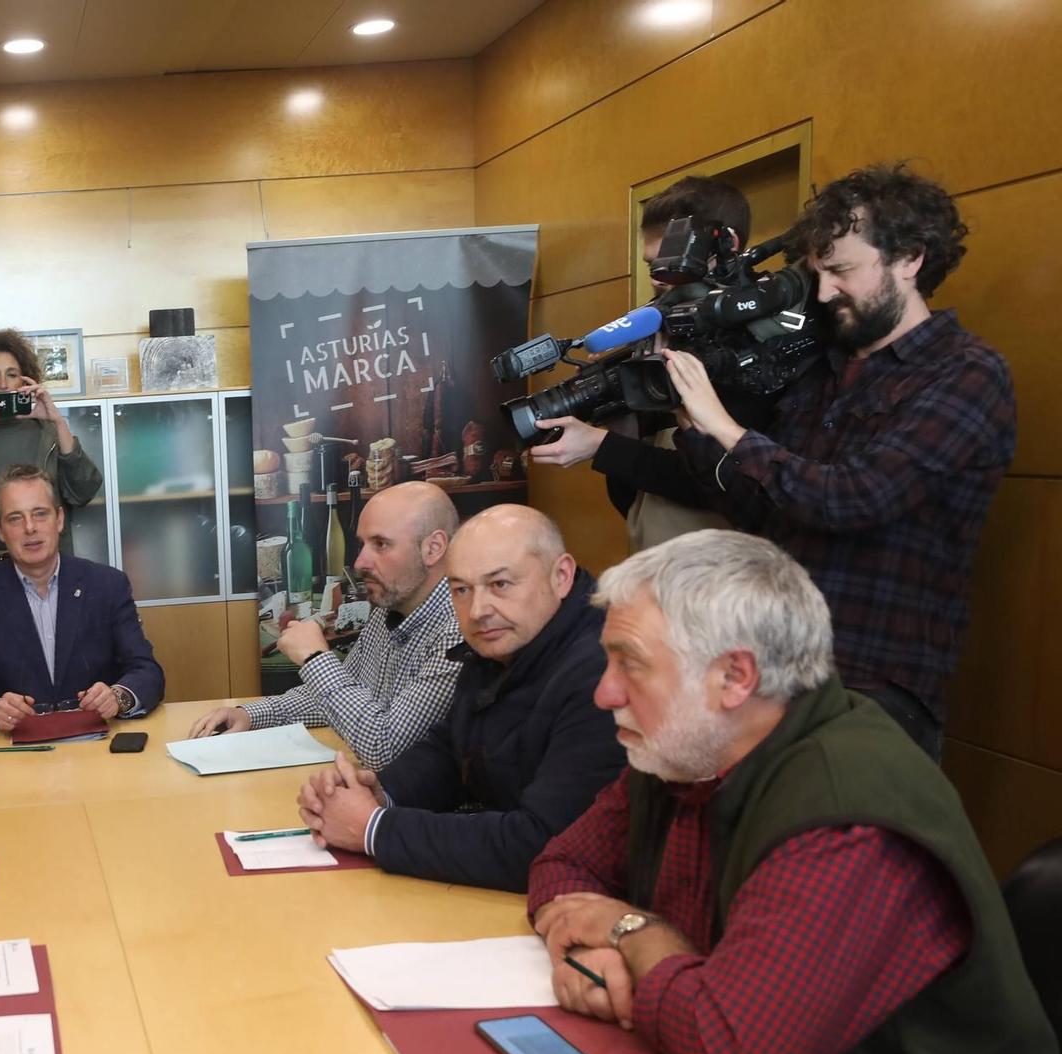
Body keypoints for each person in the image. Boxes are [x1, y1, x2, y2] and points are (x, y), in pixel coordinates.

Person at [527, 529, 1061, 1054]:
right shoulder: (682, 751)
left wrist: (637, 935)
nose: (604, 692)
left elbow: (730, 1050)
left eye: (629, 663)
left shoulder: (848, 808)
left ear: (734, 676)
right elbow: (559, 872)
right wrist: (616, 952)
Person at [656, 163, 1015, 759]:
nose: (823, 294)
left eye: (842, 271)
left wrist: (726, 426)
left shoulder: (968, 373)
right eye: (818, 275)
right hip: (772, 669)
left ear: (910, 259)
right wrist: (694, 428)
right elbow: (760, 510)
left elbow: (853, 497)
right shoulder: (820, 369)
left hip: (873, 684)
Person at [297, 506, 625, 891]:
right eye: (461, 590)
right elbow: (453, 750)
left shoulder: (604, 675)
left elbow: (545, 843)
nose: (478, 611)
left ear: (562, 576)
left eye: (500, 584)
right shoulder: (507, 642)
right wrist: (383, 794)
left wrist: (374, 828)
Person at [528, 174, 747, 550]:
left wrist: (604, 446)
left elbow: (725, 482)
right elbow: (639, 488)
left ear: (724, 246)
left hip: (724, 576)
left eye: (671, 265)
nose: (660, 282)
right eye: (652, 267)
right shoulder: (656, 328)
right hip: (655, 556)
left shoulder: (754, 342)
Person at [188, 481, 464, 768]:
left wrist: (315, 658)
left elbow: (387, 750)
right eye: (362, 544)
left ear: (433, 548)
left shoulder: (457, 631)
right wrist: (250, 715)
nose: (359, 562)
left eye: (381, 544)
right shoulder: (390, 608)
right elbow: (334, 697)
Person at [0, 465, 164, 730]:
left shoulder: (108, 585)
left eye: (40, 514)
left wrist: (118, 697)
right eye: (15, 518)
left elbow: (147, 671)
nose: (30, 527)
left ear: (59, 519)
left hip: (98, 747)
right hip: (17, 752)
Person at [0, 328, 104, 580]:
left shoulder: (50, 435)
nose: (3, 384)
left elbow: (84, 492)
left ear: (25, 380)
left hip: (50, 571)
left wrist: (57, 421)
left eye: (11, 375)